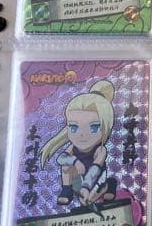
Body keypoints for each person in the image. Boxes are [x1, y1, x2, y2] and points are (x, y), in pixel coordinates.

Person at [40, 79, 117, 207]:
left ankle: (109, 184)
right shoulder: (73, 147)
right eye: (74, 127)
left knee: (86, 202)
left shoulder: (100, 150)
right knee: (66, 165)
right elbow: (60, 159)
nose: (82, 135)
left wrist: (86, 187)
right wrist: (75, 161)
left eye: (94, 127)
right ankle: (67, 190)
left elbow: (95, 170)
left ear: (105, 127)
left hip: (96, 177)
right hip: (78, 176)